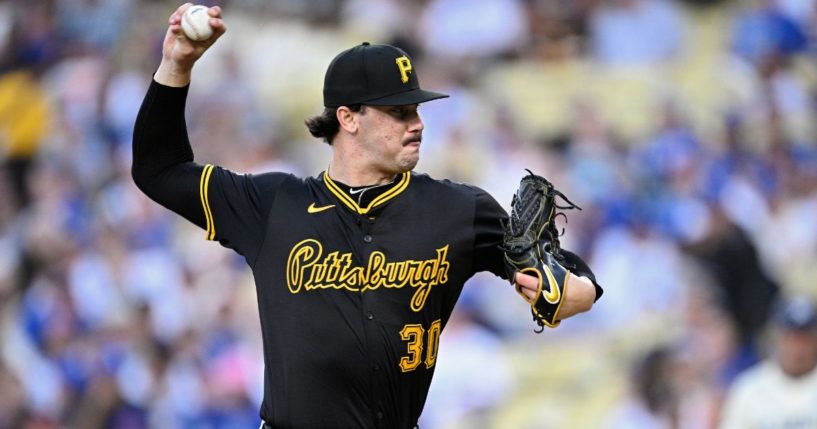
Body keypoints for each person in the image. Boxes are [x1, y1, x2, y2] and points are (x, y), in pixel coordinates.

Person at [132, 4, 601, 428]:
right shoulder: (274, 204)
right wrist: (177, 64)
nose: (415, 122)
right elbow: (159, 170)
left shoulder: (459, 210)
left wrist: (576, 290)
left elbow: (564, 273)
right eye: (397, 111)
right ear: (348, 118)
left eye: (415, 108)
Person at [719, 296, 817, 429]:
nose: (798, 348)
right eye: (791, 338)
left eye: (805, 339)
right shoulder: (749, 389)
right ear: (776, 337)